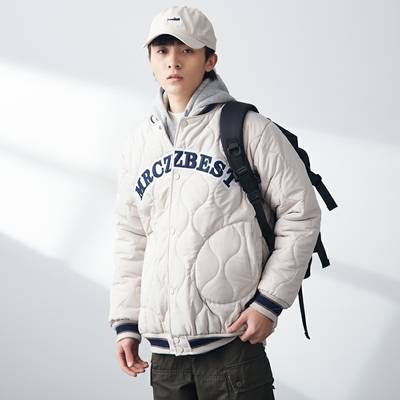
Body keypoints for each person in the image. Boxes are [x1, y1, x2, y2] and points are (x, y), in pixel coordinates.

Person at [108, 5, 321, 399]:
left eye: (187, 50)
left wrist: (269, 302)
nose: (173, 61)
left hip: (233, 346)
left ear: (210, 60)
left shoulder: (249, 128)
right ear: (150, 60)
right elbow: (131, 235)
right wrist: (126, 321)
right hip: (165, 356)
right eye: (162, 51)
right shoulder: (139, 144)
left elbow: (300, 214)